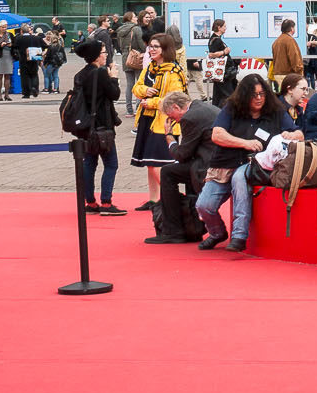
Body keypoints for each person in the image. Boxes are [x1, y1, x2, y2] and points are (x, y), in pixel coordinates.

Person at [196, 73, 298, 252]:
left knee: (239, 177)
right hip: (224, 164)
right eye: (254, 95)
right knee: (204, 206)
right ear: (244, 96)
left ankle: (239, 236)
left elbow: (298, 134)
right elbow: (217, 134)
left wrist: (290, 135)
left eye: (262, 94)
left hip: (256, 167)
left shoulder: (276, 110)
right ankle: (217, 232)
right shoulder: (231, 109)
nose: (259, 98)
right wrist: (244, 143)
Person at [147, 88, 219, 245]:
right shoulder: (206, 107)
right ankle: (192, 227)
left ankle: (173, 231)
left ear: (176, 107)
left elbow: (181, 154)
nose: (175, 121)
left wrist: (169, 137)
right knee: (182, 170)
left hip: (209, 165)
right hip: (213, 159)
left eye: (172, 117)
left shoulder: (190, 118)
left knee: (167, 172)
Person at [131, 35, 190, 211]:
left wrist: (152, 102)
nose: (152, 49)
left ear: (166, 49)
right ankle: (154, 199)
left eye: (156, 46)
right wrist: (145, 91)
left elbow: (175, 99)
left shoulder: (174, 71)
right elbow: (136, 87)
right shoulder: (150, 67)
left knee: (157, 163)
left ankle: (175, 199)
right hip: (147, 119)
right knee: (150, 162)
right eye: (151, 46)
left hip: (164, 122)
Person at [70, 39, 126, 216]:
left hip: (86, 126)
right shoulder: (100, 73)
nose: (106, 54)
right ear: (95, 56)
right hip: (102, 125)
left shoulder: (80, 75)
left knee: (89, 163)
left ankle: (90, 202)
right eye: (103, 52)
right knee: (111, 164)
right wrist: (114, 77)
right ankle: (107, 202)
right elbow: (114, 95)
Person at [269, 18, 304, 85]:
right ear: (291, 28)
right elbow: (294, 58)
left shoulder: (276, 41)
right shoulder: (290, 40)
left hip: (278, 74)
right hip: (288, 75)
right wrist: (299, 73)